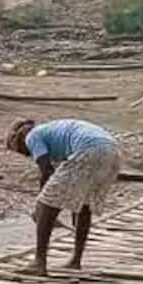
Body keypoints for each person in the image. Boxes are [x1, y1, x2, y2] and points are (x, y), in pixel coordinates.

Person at [8, 116, 122, 274]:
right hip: (112, 151)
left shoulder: (32, 136)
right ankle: (76, 260)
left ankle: (39, 262)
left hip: (89, 149)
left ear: (19, 141)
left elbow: (46, 171)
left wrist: (41, 207)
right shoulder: (52, 132)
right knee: (83, 204)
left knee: (45, 204)